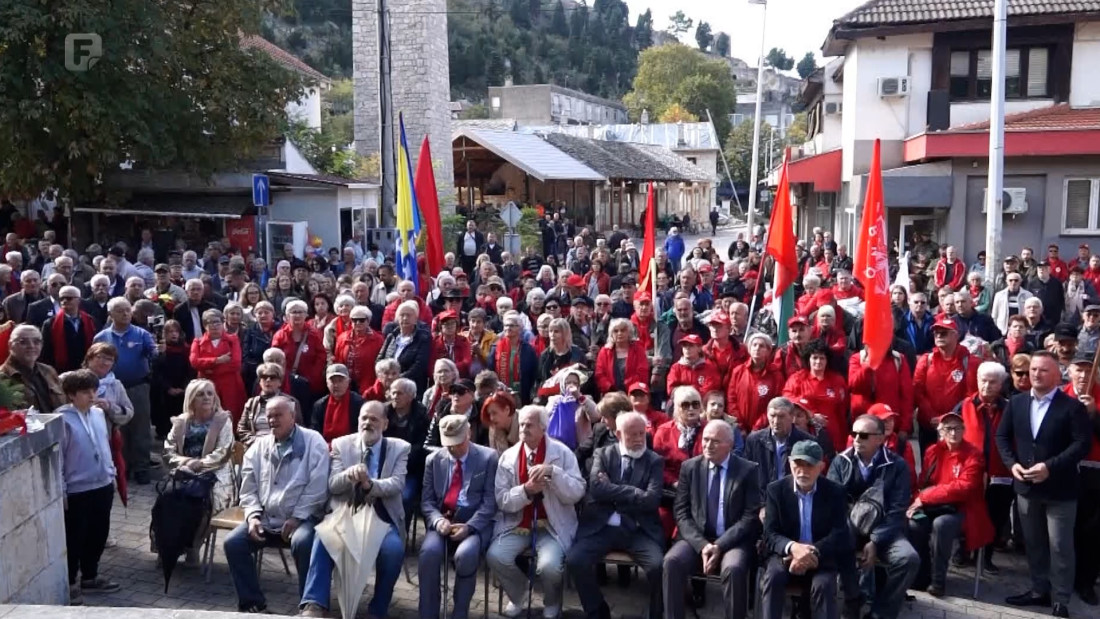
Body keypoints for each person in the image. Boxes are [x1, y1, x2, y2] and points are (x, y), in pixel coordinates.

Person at [995, 351, 1092, 617]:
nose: (1035, 375)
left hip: (1060, 489)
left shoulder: (1072, 407)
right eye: (1033, 370)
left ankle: (1060, 598)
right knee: (1034, 543)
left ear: (1057, 374)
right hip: (1026, 487)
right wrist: (1011, 463)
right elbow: (1002, 436)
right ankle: (1039, 589)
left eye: (1043, 370)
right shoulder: (1016, 403)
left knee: (1060, 545)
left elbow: (1082, 444)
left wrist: (1050, 466)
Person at [298, 401, 409, 618]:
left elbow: (397, 483)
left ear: (385, 424)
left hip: (382, 517)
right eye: (364, 418)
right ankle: (314, 604)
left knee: (393, 550)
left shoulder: (399, 448)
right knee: (323, 537)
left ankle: (378, 610)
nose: (368, 423)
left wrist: (370, 484)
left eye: (374, 419)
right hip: (346, 515)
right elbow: (332, 484)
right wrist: (350, 474)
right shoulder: (341, 444)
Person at [224, 396, 329, 613]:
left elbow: (318, 487)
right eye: (269, 416)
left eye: (278, 415)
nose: (272, 420)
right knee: (233, 543)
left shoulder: (313, 441)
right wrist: (252, 516)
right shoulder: (260, 444)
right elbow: (249, 484)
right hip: (266, 518)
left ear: (293, 417)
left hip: (302, 519)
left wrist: (298, 516)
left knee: (303, 542)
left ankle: (309, 604)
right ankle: (253, 603)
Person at [486, 405, 586, 618]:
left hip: (552, 525)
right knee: (496, 556)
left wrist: (553, 473)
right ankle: (520, 594)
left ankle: (551, 602)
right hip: (517, 524)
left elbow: (577, 492)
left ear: (543, 427)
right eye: (521, 424)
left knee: (549, 567)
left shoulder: (563, 453)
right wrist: (526, 491)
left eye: (529, 425)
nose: (523, 429)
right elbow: (502, 500)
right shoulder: (508, 456)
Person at [567, 411, 664, 619]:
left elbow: (652, 500)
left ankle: (656, 613)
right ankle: (597, 611)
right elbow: (596, 489)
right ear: (619, 434)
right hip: (602, 526)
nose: (639, 440)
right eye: (633, 435)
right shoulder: (603, 454)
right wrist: (635, 492)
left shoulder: (654, 461)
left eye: (642, 433)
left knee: (658, 567)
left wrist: (612, 488)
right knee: (575, 560)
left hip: (638, 529)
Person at [662, 419, 761, 619]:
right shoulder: (690, 467)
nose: (708, 445)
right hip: (696, 538)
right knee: (671, 562)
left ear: (730, 445)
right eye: (705, 440)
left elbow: (750, 516)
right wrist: (703, 545)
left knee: (733, 568)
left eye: (715, 441)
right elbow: (681, 511)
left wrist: (720, 545)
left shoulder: (747, 470)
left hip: (732, 540)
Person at [828, 414, 919, 619]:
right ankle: (853, 600)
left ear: (880, 438)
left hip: (885, 529)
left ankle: (881, 613)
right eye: (854, 434)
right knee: (839, 545)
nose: (857, 439)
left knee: (909, 559)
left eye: (863, 435)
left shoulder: (897, 466)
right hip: (849, 526)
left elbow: (897, 510)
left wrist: (876, 540)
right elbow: (833, 506)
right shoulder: (841, 461)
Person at [417, 415, 499, 619]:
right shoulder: (433, 460)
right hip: (443, 520)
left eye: (458, 443)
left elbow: (490, 502)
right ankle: (428, 614)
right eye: (449, 444)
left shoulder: (489, 458)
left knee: (466, 555)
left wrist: (470, 527)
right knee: (429, 554)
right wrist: (437, 521)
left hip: (473, 523)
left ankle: (460, 613)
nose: (453, 449)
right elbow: (426, 501)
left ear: (469, 433)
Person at [759, 439, 851, 619]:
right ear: (789, 463)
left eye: (809, 465)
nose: (802, 471)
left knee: (823, 586)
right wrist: (794, 548)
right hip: (784, 555)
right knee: (772, 578)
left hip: (821, 555)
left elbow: (840, 532)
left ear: (821, 467)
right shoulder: (775, 490)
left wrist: (812, 552)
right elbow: (770, 534)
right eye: (797, 464)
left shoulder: (835, 492)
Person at [906, 410, 993, 597]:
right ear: (941, 431)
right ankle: (921, 576)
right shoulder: (933, 451)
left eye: (958, 428)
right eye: (948, 429)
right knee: (914, 523)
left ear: (964, 430)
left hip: (964, 509)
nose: (953, 433)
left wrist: (926, 497)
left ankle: (938, 581)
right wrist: (917, 501)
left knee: (941, 525)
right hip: (934, 506)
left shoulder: (974, 455)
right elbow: (923, 483)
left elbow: (963, 488)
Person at [58, 369, 121, 605]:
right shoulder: (62, 419)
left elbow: (104, 446)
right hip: (77, 488)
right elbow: (59, 458)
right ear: (72, 395)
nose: (92, 396)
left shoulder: (97, 414)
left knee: (98, 532)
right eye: (85, 392)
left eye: (94, 391)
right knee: (75, 536)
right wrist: (62, 489)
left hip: (102, 483)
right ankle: (71, 580)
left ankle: (90, 575)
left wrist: (111, 473)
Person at [162, 379, 236, 562]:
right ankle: (168, 546)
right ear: (191, 398)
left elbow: (223, 452)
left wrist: (200, 465)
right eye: (201, 394)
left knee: (200, 501)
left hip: (214, 473)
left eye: (210, 393)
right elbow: (168, 451)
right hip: (184, 469)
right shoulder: (181, 422)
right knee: (166, 498)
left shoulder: (222, 421)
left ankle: (193, 546)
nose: (207, 398)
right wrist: (186, 462)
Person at [93, 298, 158, 484]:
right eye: (120, 311)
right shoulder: (101, 337)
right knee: (118, 428)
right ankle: (123, 466)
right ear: (111, 314)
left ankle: (142, 467)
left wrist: (157, 350)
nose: (125, 314)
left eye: (128, 310)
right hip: (111, 387)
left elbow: (153, 352)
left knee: (140, 428)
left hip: (138, 386)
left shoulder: (141, 334)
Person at [955, 361, 1011, 574]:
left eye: (992, 382)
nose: (986, 386)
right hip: (971, 470)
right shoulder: (964, 405)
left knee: (995, 515)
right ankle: (962, 551)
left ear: (1001, 384)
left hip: (1000, 472)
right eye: (983, 381)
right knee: (966, 511)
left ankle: (985, 556)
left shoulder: (1009, 408)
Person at [913, 316, 980, 451]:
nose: (939, 336)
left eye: (943, 333)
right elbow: (917, 391)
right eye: (936, 333)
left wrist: (950, 418)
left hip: (958, 426)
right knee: (930, 464)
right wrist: (932, 417)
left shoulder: (970, 362)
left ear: (956, 335)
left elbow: (971, 395)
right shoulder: (926, 360)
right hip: (929, 425)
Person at [745, 396, 817, 489]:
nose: (776, 421)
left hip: (793, 497)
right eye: (772, 416)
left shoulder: (807, 441)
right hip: (763, 499)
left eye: (781, 416)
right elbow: (747, 475)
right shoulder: (754, 441)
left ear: (791, 417)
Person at [189, 309, 246, 424]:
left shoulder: (232, 340)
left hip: (230, 385)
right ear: (205, 326)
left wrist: (208, 368)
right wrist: (218, 360)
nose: (214, 326)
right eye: (210, 322)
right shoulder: (197, 342)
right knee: (206, 414)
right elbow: (194, 362)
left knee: (231, 415)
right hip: (206, 386)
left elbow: (236, 364)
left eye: (218, 322)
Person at [379, 300, 432, 394]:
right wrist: (384, 376)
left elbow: (420, 365)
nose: (405, 318)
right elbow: (380, 358)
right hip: (387, 384)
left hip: (410, 386)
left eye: (408, 315)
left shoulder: (423, 338)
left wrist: (399, 378)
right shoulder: (392, 336)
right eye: (402, 315)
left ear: (416, 319)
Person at [311, 364, 366, 443]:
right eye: (333, 381)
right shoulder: (320, 405)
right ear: (327, 383)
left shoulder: (359, 403)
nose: (336, 385)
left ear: (348, 381)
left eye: (340, 380)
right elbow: (315, 431)